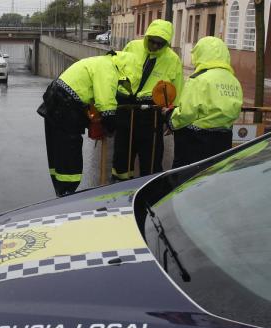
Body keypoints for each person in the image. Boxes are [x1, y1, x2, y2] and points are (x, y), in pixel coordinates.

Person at [37, 51, 140, 197]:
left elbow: (91, 95)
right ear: (127, 70)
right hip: (65, 107)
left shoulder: (102, 62)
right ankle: (67, 193)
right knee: (69, 153)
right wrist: (110, 127)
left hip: (56, 101)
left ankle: (62, 191)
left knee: (59, 152)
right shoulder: (108, 70)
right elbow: (106, 106)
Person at [111, 19, 184, 182]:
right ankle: (119, 188)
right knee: (122, 154)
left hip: (152, 115)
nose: (156, 46)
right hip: (127, 109)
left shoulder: (172, 59)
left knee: (151, 157)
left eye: (161, 43)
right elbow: (117, 70)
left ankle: (149, 190)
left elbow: (177, 90)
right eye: (152, 42)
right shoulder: (133, 47)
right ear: (147, 37)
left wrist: (172, 117)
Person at [163, 36, 243, 168]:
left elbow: (186, 113)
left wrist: (170, 119)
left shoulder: (198, 79)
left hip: (195, 141)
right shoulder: (233, 80)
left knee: (186, 178)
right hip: (224, 139)